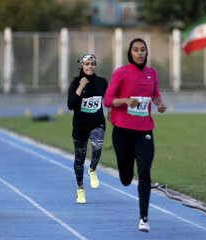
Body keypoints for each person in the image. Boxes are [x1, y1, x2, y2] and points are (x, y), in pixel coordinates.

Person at [104, 38, 166, 232]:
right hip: (122, 131)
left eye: (143, 50)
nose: (139, 53)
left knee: (145, 171)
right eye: (136, 50)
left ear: (147, 53)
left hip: (144, 130)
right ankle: (126, 172)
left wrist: (159, 104)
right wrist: (124, 101)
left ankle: (143, 217)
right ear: (130, 53)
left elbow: (155, 94)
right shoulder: (121, 73)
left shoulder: (152, 73)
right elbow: (107, 100)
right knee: (125, 178)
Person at [67, 54, 108, 204]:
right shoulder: (75, 83)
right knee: (79, 159)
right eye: (87, 64)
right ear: (82, 66)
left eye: (92, 64)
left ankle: (92, 170)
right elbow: (70, 105)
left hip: (97, 123)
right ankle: (80, 189)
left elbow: (108, 99)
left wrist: (111, 111)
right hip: (80, 127)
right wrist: (81, 87)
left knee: (97, 146)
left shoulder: (102, 82)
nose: (90, 66)